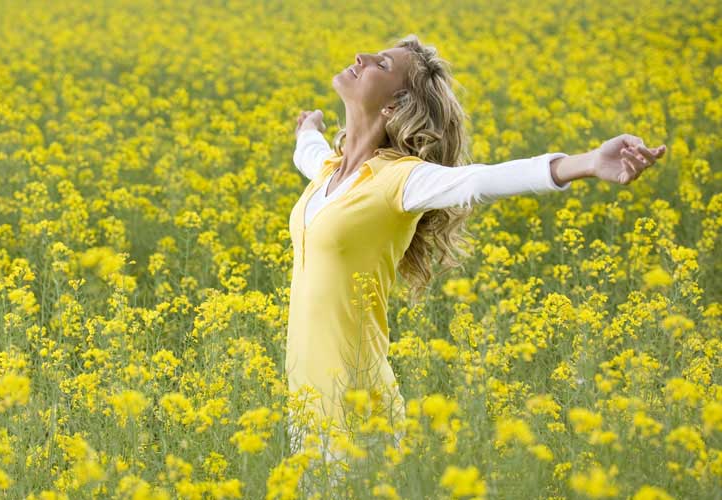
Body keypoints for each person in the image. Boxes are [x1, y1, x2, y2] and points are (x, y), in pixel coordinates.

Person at [285, 34, 666, 495]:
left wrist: (585, 163)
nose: (361, 57)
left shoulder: (400, 180)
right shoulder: (330, 170)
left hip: (357, 404)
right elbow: (307, 152)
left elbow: (481, 181)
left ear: (395, 104)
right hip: (305, 403)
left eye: (381, 64)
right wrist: (310, 126)